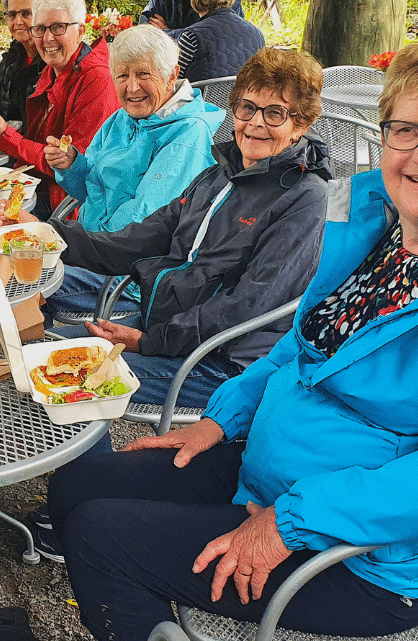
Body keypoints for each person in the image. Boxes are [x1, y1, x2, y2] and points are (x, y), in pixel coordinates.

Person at [46, 36, 418, 641]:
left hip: (367, 553)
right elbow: (299, 347)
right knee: (79, 484)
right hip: (273, 474)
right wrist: (220, 419)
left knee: (101, 538)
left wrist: (288, 523)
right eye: (405, 131)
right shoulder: (376, 228)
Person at [49, 48, 330, 410]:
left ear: (301, 126)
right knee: (45, 355)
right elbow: (137, 240)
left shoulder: (303, 197)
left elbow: (250, 303)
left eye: (275, 113)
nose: (256, 123)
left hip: (222, 359)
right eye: (247, 108)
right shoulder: (219, 174)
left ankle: (95, 466)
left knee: (67, 386)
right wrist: (50, 236)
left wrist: (150, 343)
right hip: (166, 326)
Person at [38, 25, 225, 323]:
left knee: (29, 278)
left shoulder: (188, 134)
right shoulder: (122, 118)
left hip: (128, 275)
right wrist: (71, 165)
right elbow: (91, 188)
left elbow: (143, 221)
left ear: (172, 75)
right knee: (22, 262)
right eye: (123, 76)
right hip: (95, 250)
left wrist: (73, 245)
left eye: (144, 75)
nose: (132, 88)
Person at [0, 0, 120, 216]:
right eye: (40, 29)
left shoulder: (97, 79)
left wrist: (6, 137)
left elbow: (73, 168)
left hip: (70, 205)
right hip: (42, 185)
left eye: (58, 27)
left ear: (81, 31)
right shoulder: (52, 69)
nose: (48, 38)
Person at [176, 0, 265, 83]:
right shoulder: (257, 34)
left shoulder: (191, 37)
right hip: (242, 100)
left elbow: (173, 80)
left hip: (201, 100)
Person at [0, 0, 45, 124]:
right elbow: (5, 109)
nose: (18, 21)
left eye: (26, 13)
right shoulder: (10, 59)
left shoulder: (51, 63)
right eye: (12, 15)